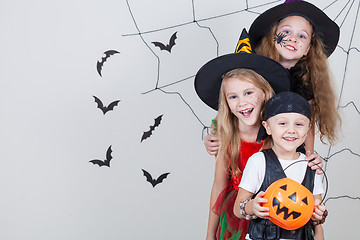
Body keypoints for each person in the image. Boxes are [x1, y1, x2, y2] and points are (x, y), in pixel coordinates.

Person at [204, 0, 341, 159]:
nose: (293, 38)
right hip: (249, 154)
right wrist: (213, 138)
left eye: (302, 35)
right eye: (286, 31)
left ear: (308, 48)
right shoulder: (253, 72)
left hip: (284, 157)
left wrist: (307, 159)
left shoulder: (306, 83)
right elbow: (228, 107)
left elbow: (306, 128)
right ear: (273, 36)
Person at [195, 29, 292, 240]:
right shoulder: (225, 133)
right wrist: (210, 234)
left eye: (249, 93)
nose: (242, 103)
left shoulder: (281, 128)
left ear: (265, 92)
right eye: (233, 97)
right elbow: (219, 185)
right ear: (226, 103)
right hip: (236, 218)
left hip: (277, 213)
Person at [233, 91, 326, 240]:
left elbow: (316, 212)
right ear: (268, 127)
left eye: (299, 124)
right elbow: (237, 209)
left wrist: (319, 217)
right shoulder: (258, 161)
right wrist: (253, 207)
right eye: (282, 123)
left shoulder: (312, 166)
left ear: (308, 130)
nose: (291, 130)